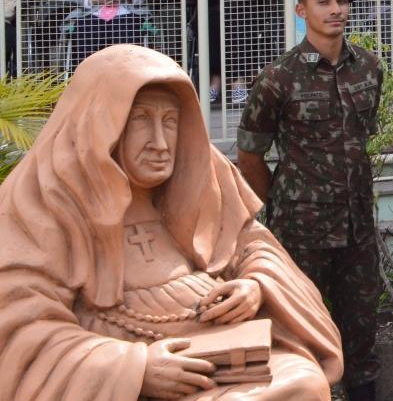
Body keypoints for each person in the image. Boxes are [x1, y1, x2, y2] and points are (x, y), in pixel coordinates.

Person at [0, 44, 343, 400]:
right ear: (101, 123)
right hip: (127, 367)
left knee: (303, 381)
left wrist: (255, 286)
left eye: (170, 122)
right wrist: (135, 368)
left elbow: (254, 245)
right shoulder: (45, 202)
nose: (160, 144)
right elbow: (20, 327)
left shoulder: (202, 180)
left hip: (224, 354)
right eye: (140, 120)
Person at [235, 0, 384, 401]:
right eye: (323, 1)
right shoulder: (278, 78)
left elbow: (360, 138)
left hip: (358, 227)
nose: (335, 9)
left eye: (341, 1)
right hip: (302, 232)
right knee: (299, 334)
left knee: (361, 330)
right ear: (302, 9)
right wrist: (274, 212)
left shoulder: (369, 69)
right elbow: (249, 155)